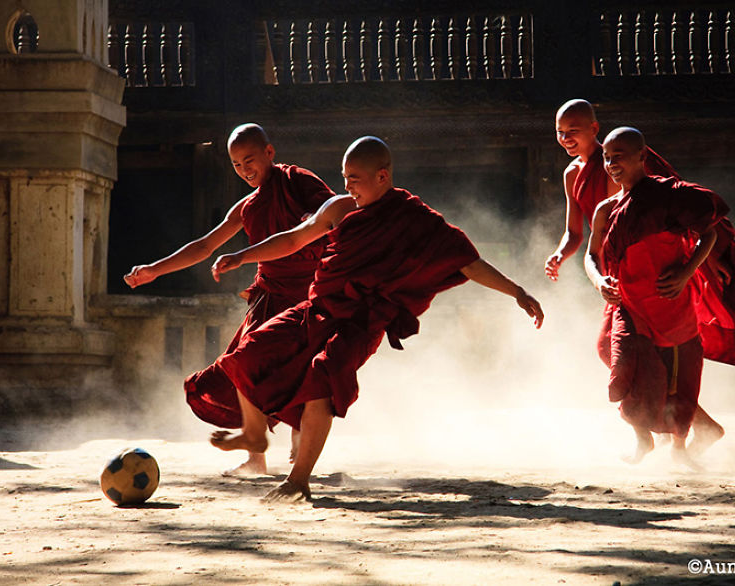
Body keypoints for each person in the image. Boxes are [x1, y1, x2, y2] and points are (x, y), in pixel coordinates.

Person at [201, 136, 544, 501]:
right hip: (317, 310)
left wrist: (517, 292)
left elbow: (468, 261)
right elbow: (293, 239)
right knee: (249, 352)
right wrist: (243, 256)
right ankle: (260, 435)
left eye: (355, 179)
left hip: (360, 322)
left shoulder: (414, 218)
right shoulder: (339, 208)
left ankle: (298, 480)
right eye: (344, 177)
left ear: (382, 176)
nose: (347, 186)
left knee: (324, 375)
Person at [125, 123, 334, 476]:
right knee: (243, 365)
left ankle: (301, 450)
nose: (244, 170)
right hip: (270, 296)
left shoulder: (297, 181)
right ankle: (255, 458)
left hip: (309, 293)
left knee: (303, 372)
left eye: (250, 160)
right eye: (236, 164)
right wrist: (154, 270)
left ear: (269, 152)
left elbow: (330, 214)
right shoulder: (247, 207)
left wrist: (312, 218)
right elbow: (205, 245)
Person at [584, 127, 735, 468]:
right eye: (606, 157)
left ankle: (680, 448)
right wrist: (597, 280)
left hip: (669, 303)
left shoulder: (668, 196)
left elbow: (708, 233)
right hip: (629, 305)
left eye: (619, 156)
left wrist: (686, 272)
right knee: (623, 370)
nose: (611, 163)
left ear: (642, 156)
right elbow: (591, 256)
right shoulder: (606, 209)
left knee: (678, 377)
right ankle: (643, 437)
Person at [545, 99, 677, 281]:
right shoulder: (571, 174)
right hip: (608, 255)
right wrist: (560, 254)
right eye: (560, 132)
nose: (565, 138)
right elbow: (573, 233)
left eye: (573, 131)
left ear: (594, 128)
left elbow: (671, 205)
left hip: (647, 253)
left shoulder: (621, 161)